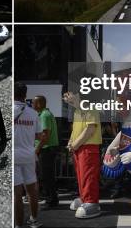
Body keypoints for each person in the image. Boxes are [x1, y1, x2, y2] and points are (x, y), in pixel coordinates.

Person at [63, 90, 102, 219]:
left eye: (74, 95)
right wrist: (71, 142)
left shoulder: (91, 108)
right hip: (79, 148)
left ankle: (91, 201)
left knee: (88, 175)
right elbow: (76, 130)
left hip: (88, 147)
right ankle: (85, 197)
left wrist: (75, 144)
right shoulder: (78, 111)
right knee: (81, 176)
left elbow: (90, 129)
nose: (70, 97)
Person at [14, 82, 43, 228]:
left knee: (17, 195)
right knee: (32, 190)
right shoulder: (33, 113)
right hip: (29, 155)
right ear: (25, 95)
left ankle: (18, 225)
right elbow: (40, 135)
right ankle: (34, 220)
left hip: (14, 156)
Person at [33, 95, 59, 208]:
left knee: (46, 176)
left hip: (46, 149)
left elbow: (45, 135)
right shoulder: (45, 114)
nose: (32, 105)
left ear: (39, 104)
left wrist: (37, 149)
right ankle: (51, 198)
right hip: (47, 148)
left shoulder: (44, 115)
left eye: (34, 103)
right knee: (47, 175)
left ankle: (51, 200)